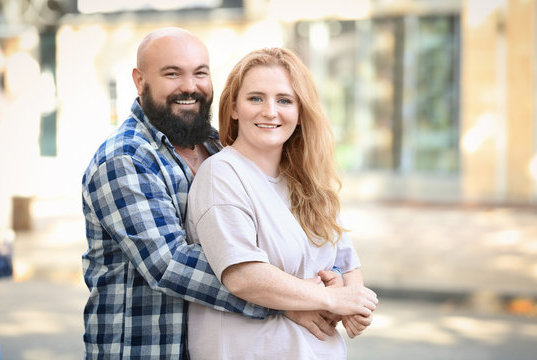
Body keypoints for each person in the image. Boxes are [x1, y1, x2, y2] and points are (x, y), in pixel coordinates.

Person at [81, 27, 366, 359]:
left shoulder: (216, 145)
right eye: (172, 74)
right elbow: (171, 264)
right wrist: (293, 302)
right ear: (139, 80)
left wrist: (333, 291)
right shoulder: (125, 160)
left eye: (200, 73)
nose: (189, 86)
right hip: (144, 348)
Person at [186, 47, 378, 359]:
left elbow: (345, 259)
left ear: (301, 112)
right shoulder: (221, 175)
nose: (270, 111)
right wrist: (329, 299)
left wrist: (354, 303)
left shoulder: (308, 180)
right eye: (255, 98)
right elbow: (244, 275)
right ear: (233, 107)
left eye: (284, 100)